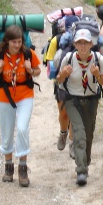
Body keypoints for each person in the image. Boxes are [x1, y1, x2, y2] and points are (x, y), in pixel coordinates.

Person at [0, 25, 41, 187]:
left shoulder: (27, 54)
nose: (17, 45)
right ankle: (8, 167)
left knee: (23, 128)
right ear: (7, 42)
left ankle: (22, 168)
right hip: (4, 96)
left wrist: (31, 71)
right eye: (14, 42)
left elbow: (37, 71)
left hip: (25, 95)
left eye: (19, 42)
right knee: (7, 131)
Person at [56, 29, 103, 186]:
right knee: (79, 133)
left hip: (91, 100)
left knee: (88, 135)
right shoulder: (69, 58)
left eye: (86, 43)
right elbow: (58, 79)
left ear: (91, 44)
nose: (83, 46)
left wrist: (98, 75)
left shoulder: (99, 60)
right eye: (80, 43)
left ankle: (85, 161)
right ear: (75, 44)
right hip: (72, 99)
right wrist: (63, 74)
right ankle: (81, 171)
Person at [45, 15, 79, 159]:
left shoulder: (82, 42)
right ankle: (63, 132)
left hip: (77, 83)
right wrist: (61, 75)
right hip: (61, 83)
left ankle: (72, 144)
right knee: (63, 114)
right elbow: (49, 64)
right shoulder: (56, 41)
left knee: (74, 115)